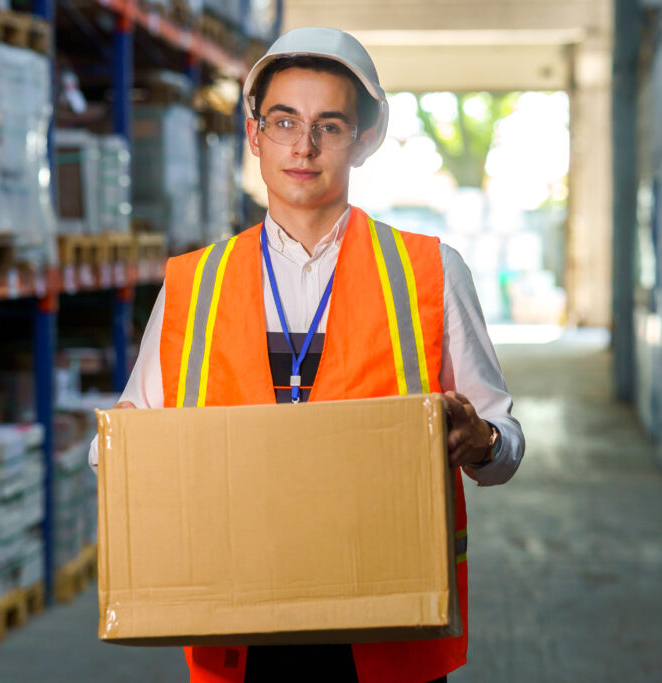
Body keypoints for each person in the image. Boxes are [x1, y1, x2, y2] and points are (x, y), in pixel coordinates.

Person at [89, 26, 525, 683]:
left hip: (389, 626)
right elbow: (118, 444)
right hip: (239, 628)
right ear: (254, 133)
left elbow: (504, 447)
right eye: (285, 120)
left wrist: (482, 439)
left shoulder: (431, 272)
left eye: (330, 124)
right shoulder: (194, 286)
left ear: (364, 140)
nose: (304, 144)